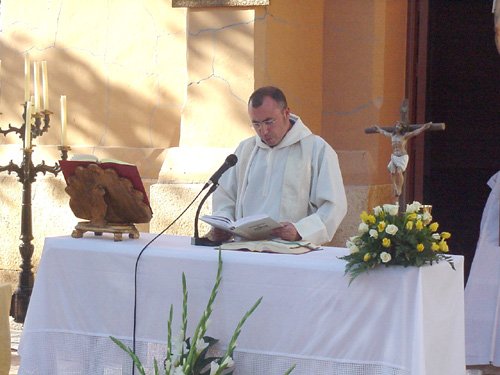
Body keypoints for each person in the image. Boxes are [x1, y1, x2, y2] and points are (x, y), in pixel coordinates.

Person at [208, 86, 347, 245]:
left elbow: (333, 205)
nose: (263, 131)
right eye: (256, 124)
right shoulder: (245, 150)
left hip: (291, 251)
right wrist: (224, 224)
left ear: (286, 113)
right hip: (245, 249)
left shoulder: (316, 149)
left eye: (269, 122)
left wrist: (300, 231)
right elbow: (226, 196)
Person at [374, 121, 431, 198]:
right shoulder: (392, 135)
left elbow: (415, 132)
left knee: (399, 171)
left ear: (402, 128)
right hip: (394, 156)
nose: (397, 127)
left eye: (399, 126)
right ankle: (395, 187)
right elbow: (384, 132)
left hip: (402, 156)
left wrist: (423, 127)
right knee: (392, 172)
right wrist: (378, 129)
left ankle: (399, 188)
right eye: (397, 125)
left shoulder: (404, 136)